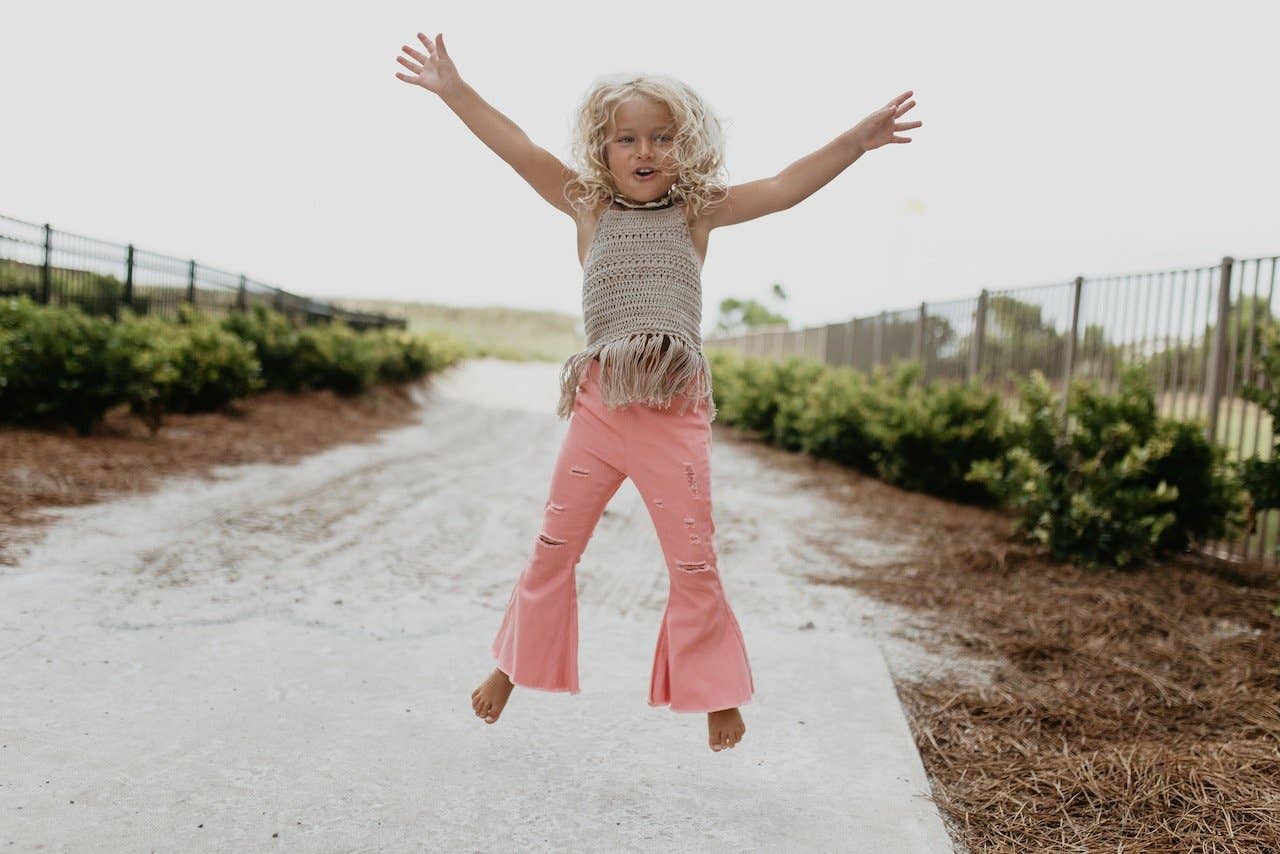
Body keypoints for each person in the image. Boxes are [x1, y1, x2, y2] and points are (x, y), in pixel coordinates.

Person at [394, 31, 921, 752]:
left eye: (663, 138)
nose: (645, 152)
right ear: (601, 149)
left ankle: (718, 695)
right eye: (627, 139)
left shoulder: (695, 211)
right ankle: (508, 669)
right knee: (553, 546)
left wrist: (856, 141)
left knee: (693, 557)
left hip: (673, 411)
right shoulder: (587, 206)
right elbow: (514, 145)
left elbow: (785, 188)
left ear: (687, 144)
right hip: (600, 404)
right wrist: (454, 89)